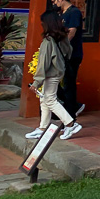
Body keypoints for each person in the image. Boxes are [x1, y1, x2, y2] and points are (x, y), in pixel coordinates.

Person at [25, 11, 82, 140]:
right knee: (44, 99)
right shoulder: (62, 37)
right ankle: (42, 127)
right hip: (58, 72)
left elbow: (43, 63)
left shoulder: (48, 41)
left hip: (50, 74)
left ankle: (70, 124)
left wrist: (36, 82)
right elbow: (69, 52)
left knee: (50, 100)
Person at [50, 0, 85, 118]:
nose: (54, 4)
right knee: (54, 81)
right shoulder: (61, 14)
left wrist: (62, 47)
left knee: (69, 82)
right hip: (61, 54)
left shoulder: (74, 12)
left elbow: (71, 32)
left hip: (72, 53)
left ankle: (71, 113)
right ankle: (73, 105)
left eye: (54, 1)